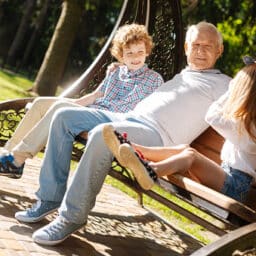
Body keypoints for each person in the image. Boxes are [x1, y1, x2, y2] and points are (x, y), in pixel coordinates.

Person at [15, 21, 231, 246]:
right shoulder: (182, 76)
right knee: (64, 116)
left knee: (103, 134)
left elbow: (244, 104)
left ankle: (71, 217)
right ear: (186, 48)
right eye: (196, 44)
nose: (200, 51)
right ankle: (49, 198)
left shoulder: (225, 85)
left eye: (208, 46)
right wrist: (119, 71)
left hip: (156, 137)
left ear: (219, 50)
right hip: (128, 118)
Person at [0, 23, 163, 179]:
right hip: (90, 110)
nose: (136, 58)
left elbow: (138, 110)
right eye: (130, 53)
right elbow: (94, 97)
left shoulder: (153, 80)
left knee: (61, 108)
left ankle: (16, 160)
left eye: (140, 52)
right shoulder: (115, 72)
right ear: (121, 55)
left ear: (147, 51)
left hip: (109, 120)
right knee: (40, 104)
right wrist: (64, 104)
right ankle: (7, 154)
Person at [104, 56, 256, 202]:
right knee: (185, 149)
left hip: (238, 186)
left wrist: (231, 92)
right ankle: (133, 149)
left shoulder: (252, 132)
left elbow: (212, 117)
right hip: (228, 177)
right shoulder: (246, 124)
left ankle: (152, 171)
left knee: (191, 156)